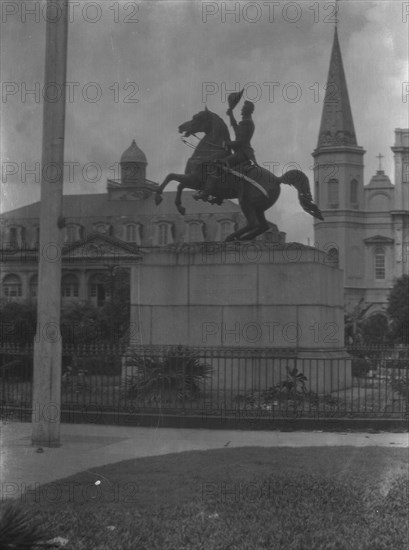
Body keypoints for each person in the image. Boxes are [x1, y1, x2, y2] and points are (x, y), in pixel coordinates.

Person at [193, 100, 257, 201]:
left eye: (243, 108)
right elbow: (236, 130)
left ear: (247, 110)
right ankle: (219, 195)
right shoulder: (246, 121)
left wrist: (227, 143)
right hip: (240, 152)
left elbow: (240, 141)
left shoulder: (247, 122)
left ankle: (207, 193)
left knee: (217, 164)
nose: (241, 110)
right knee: (224, 168)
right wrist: (231, 114)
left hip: (242, 153)